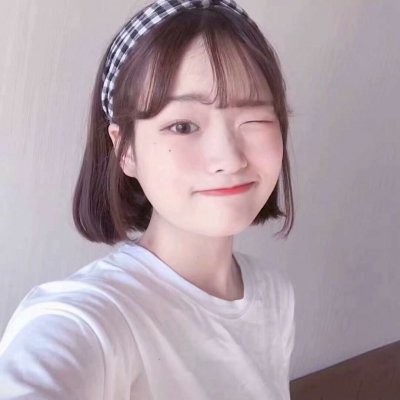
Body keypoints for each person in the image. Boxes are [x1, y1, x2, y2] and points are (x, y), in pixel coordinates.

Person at [0, 0, 296, 398]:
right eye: (183, 125)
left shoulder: (274, 294)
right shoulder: (93, 316)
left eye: (254, 119)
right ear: (125, 149)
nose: (228, 158)